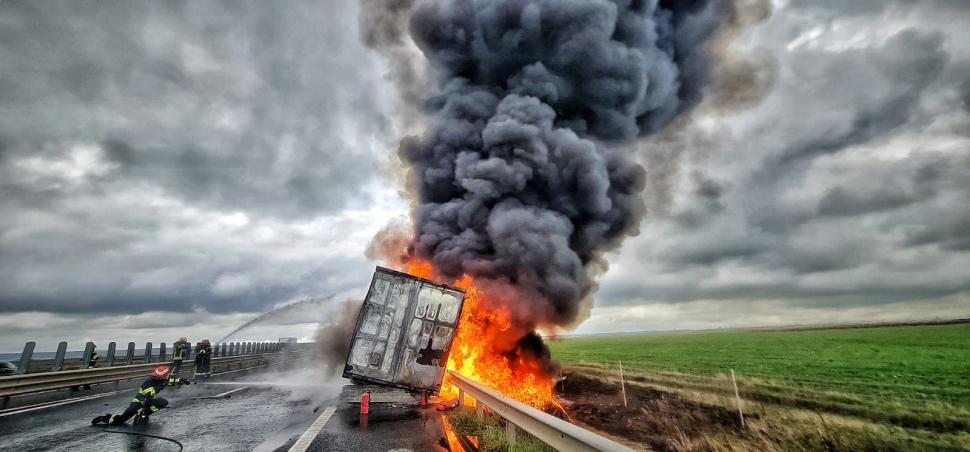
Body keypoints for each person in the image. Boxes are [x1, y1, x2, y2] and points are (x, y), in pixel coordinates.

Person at [91, 365, 190, 426]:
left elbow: (170, 381)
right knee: (120, 420)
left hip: (148, 401)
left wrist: (182, 380)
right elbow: (147, 394)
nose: (168, 376)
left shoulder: (162, 380)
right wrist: (140, 410)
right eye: (167, 375)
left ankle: (145, 414)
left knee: (163, 402)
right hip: (138, 402)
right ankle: (103, 418)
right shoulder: (148, 383)